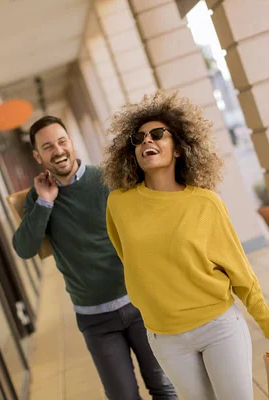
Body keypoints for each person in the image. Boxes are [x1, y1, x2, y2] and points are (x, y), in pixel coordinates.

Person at [102, 91, 269, 400]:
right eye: (137, 139)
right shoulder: (118, 204)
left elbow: (241, 274)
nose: (146, 142)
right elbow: (130, 258)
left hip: (218, 327)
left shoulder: (206, 203)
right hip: (164, 336)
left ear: (178, 148)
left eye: (156, 135)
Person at [12, 116, 177, 400]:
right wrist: (45, 202)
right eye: (48, 147)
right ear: (38, 156)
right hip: (95, 320)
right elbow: (25, 248)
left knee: (163, 387)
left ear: (71, 143)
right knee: (122, 396)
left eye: (62, 141)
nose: (58, 151)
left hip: (139, 303)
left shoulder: (106, 180)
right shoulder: (38, 198)